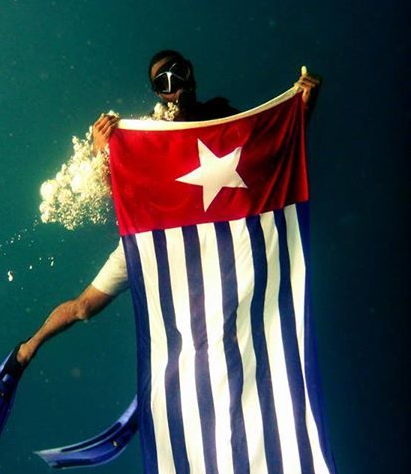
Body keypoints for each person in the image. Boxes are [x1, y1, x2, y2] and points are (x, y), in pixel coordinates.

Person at [16, 50, 320, 367]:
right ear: (159, 93)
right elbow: (116, 189)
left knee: (225, 308)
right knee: (85, 307)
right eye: (163, 82)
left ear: (190, 71)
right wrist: (100, 151)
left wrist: (301, 110)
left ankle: (205, 373)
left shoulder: (220, 114)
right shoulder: (150, 131)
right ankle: (27, 348)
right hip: (154, 230)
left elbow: (268, 154)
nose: (173, 84)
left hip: (212, 228)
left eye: (176, 73)